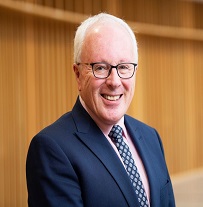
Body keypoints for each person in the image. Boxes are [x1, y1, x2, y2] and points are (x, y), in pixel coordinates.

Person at [26, 13, 175, 207]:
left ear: (135, 72)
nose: (114, 81)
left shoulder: (150, 137)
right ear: (78, 75)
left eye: (123, 67)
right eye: (101, 67)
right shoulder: (51, 149)